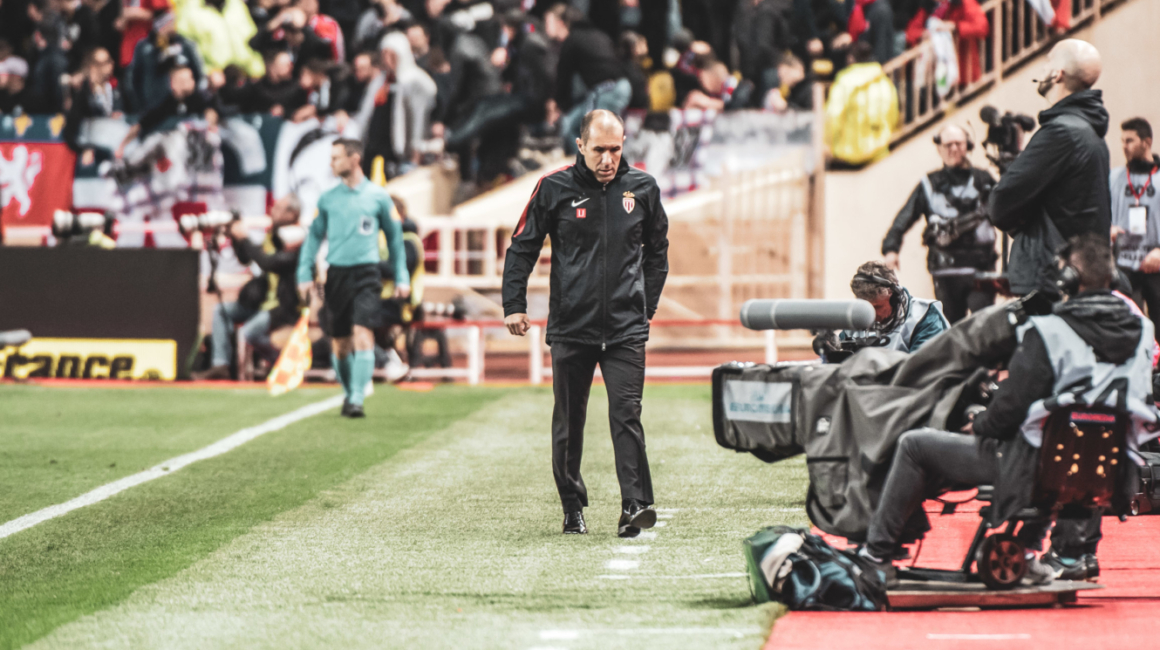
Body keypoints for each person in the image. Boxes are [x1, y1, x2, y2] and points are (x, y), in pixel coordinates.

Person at [858, 234, 1156, 587]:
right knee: (1056, 443)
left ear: (1068, 278)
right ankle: (1027, 550)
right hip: (1109, 469)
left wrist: (978, 423)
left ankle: (875, 556)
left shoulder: (1051, 330)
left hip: (1035, 467)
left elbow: (1009, 410)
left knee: (914, 445)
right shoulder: (1144, 330)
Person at [502, 109, 669, 538]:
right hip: (571, 327)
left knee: (627, 415)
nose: (608, 159)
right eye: (599, 150)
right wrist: (514, 304)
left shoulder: (644, 188)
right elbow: (522, 247)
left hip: (626, 330)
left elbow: (657, 253)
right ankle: (571, 505)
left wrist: (644, 308)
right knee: (569, 421)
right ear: (580, 145)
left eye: (615, 149)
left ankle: (635, 505)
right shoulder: (553, 188)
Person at [296, 138, 410, 418]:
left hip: (367, 273)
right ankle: (350, 393)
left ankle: (358, 397)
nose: (331, 163)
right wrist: (304, 273)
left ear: (354, 159)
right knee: (340, 343)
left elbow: (395, 239)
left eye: (336, 158)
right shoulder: (327, 199)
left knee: (363, 332)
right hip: (336, 274)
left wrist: (402, 276)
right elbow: (313, 238)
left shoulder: (378, 197)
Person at [989, 39, 1110, 297]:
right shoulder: (1091, 131)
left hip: (1050, 279)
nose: (1043, 69)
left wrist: (1024, 222)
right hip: (1074, 274)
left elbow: (1000, 205)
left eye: (1048, 62)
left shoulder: (1061, 133)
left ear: (1057, 74)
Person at [882, 124, 998, 323]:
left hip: (981, 269)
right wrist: (891, 248)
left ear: (968, 146)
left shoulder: (983, 180)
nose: (953, 149)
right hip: (945, 271)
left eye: (958, 144)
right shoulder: (929, 184)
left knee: (983, 325)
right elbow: (906, 215)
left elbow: (1005, 210)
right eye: (948, 145)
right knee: (949, 326)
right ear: (939, 148)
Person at [195, 195, 306, 380]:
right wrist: (236, 238)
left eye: (278, 208)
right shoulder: (273, 235)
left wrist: (245, 238)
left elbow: (268, 262)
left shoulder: (297, 238)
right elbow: (247, 258)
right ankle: (220, 365)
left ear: (292, 214)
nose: (272, 210)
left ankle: (284, 362)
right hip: (263, 303)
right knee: (222, 311)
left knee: (249, 332)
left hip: (284, 307)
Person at [545, 4, 631, 155]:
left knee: (593, 136)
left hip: (606, 90)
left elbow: (563, 77)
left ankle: (595, 167)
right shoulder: (598, 34)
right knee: (572, 126)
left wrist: (558, 104)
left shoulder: (572, 40)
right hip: (621, 86)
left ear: (561, 23)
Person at [1110, 118, 1160, 337]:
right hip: (1124, 267)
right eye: (1122, 141)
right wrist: (1109, 229)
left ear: (1146, 142)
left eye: (1129, 141)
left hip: (1155, 266)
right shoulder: (1114, 177)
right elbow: (1099, 212)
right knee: (1129, 329)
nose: (1124, 146)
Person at [844, 261, 949, 353]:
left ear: (894, 297)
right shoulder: (853, 321)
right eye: (865, 308)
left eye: (877, 308)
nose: (871, 315)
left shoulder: (924, 316)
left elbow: (922, 365)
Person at [824, 41, 899, 168]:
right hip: (879, 154)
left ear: (850, 58)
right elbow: (893, 114)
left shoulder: (844, 82)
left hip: (847, 156)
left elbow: (833, 115)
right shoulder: (884, 82)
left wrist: (826, 142)